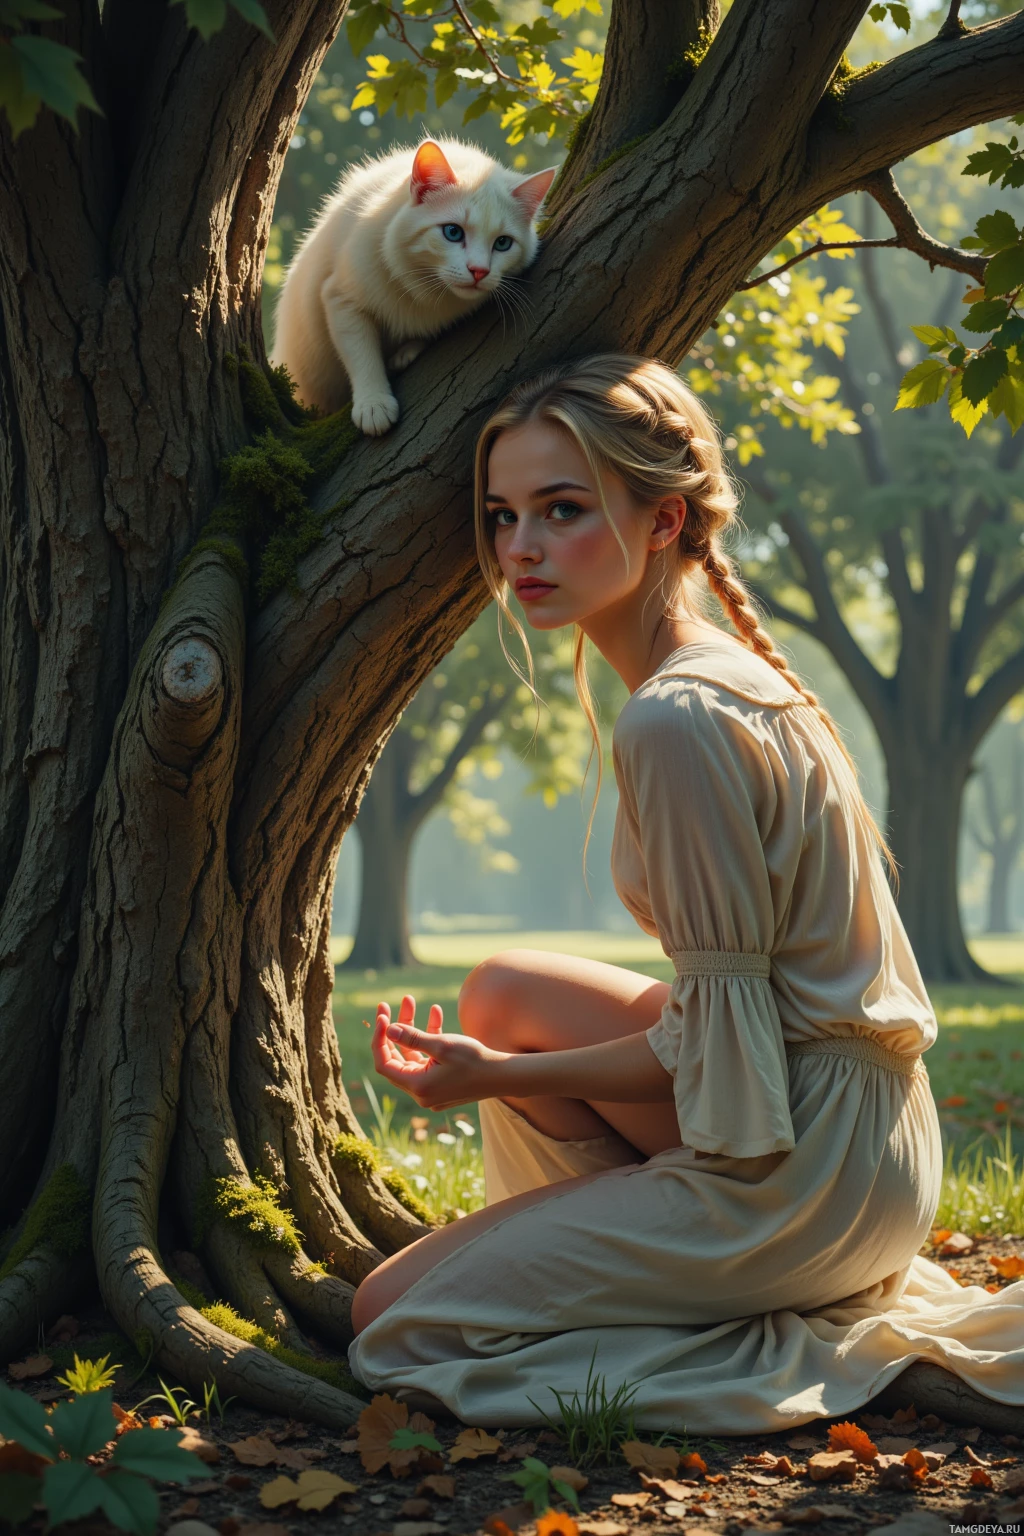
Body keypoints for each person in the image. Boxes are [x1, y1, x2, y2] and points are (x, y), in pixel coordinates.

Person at [346, 355, 1024, 1432]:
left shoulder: (674, 719)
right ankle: (647, 1256)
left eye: (562, 510)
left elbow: (727, 1051)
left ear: (662, 523)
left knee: (394, 1318)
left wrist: (486, 1084)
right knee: (503, 990)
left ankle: (725, 1296)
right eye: (502, 514)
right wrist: (499, 1056)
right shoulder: (718, 676)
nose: (519, 547)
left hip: (806, 1169)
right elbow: (728, 1028)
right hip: (851, 1125)